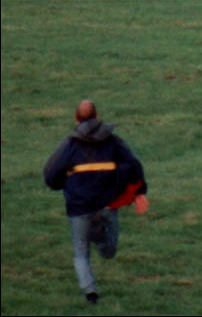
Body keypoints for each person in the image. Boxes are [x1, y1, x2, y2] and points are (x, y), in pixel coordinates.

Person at [43, 100, 150, 304]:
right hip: (108, 205)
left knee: (80, 252)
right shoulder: (114, 142)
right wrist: (140, 191)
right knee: (109, 251)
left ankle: (89, 291)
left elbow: (50, 173)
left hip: (79, 207)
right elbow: (133, 164)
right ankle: (92, 286)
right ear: (97, 115)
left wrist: (63, 185)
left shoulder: (69, 145)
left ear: (76, 119)